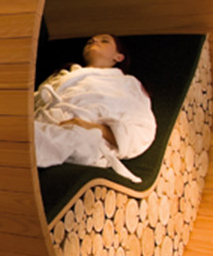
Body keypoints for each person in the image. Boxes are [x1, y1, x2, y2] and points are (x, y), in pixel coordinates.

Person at [33, 33, 156, 181]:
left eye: (104, 41)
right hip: (44, 121)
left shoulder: (129, 85)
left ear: (119, 57)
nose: (95, 41)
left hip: (85, 136)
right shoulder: (64, 75)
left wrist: (96, 128)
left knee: (34, 137)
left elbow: (144, 130)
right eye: (90, 41)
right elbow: (32, 102)